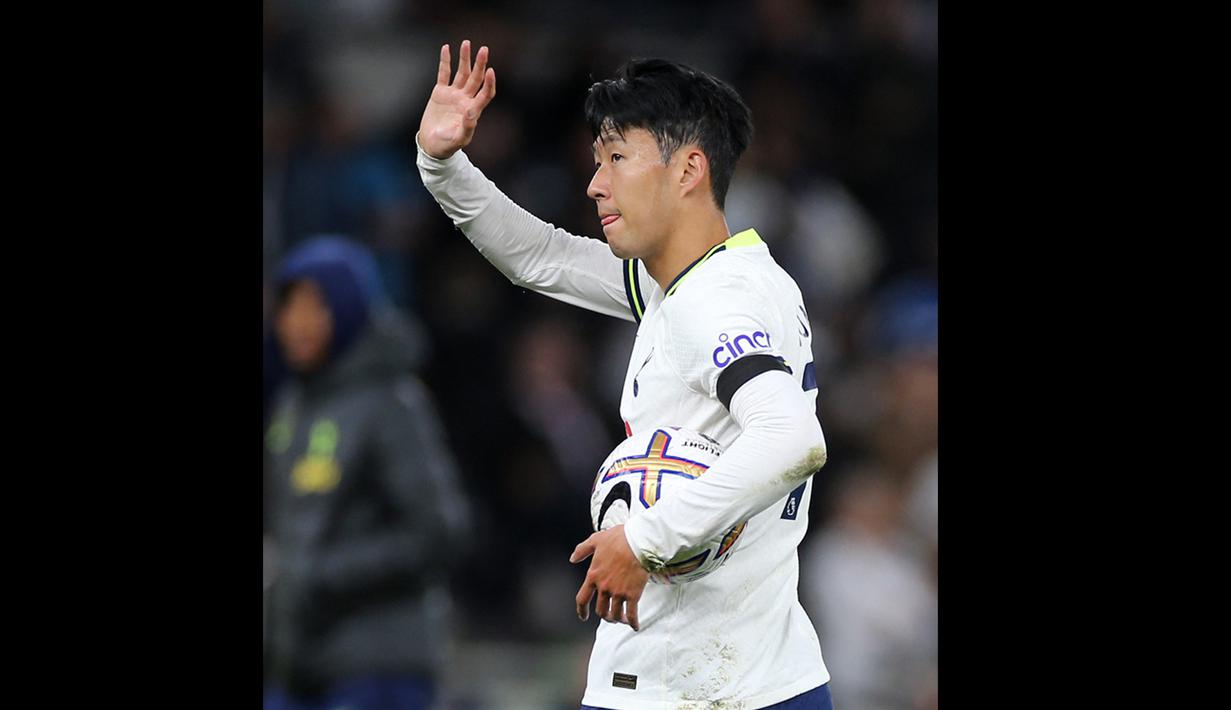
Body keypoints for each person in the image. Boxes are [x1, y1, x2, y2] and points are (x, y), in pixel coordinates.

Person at [416, 41, 832, 709]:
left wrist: (644, 538)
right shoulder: (694, 282)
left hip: (692, 685)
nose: (595, 183)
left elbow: (790, 436)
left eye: (616, 158)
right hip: (757, 672)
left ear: (688, 168)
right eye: (593, 161)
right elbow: (542, 258)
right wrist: (443, 165)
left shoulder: (715, 301)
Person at [263, 235, 470, 710]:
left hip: (380, 668)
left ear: (349, 307)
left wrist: (324, 575)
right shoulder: (293, 406)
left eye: (315, 306)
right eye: (288, 307)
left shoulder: (392, 401)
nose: (297, 323)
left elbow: (440, 531)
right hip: (300, 662)